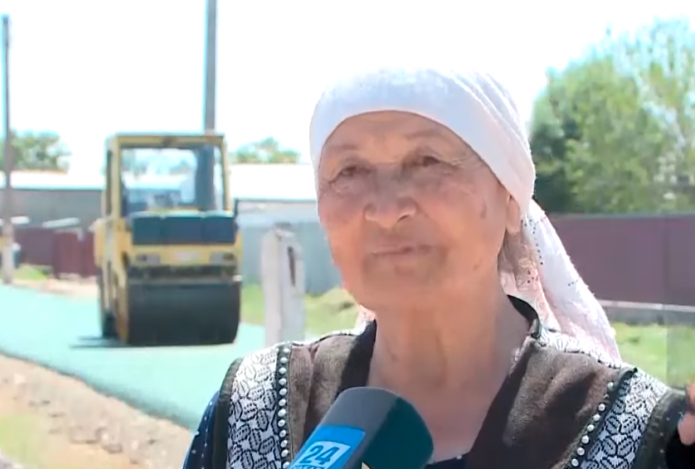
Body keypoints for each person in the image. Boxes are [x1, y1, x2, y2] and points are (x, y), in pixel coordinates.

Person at [182, 64, 695, 469]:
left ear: (510, 199)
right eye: (350, 170)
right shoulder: (252, 411)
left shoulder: (636, 433)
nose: (386, 209)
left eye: (428, 162)